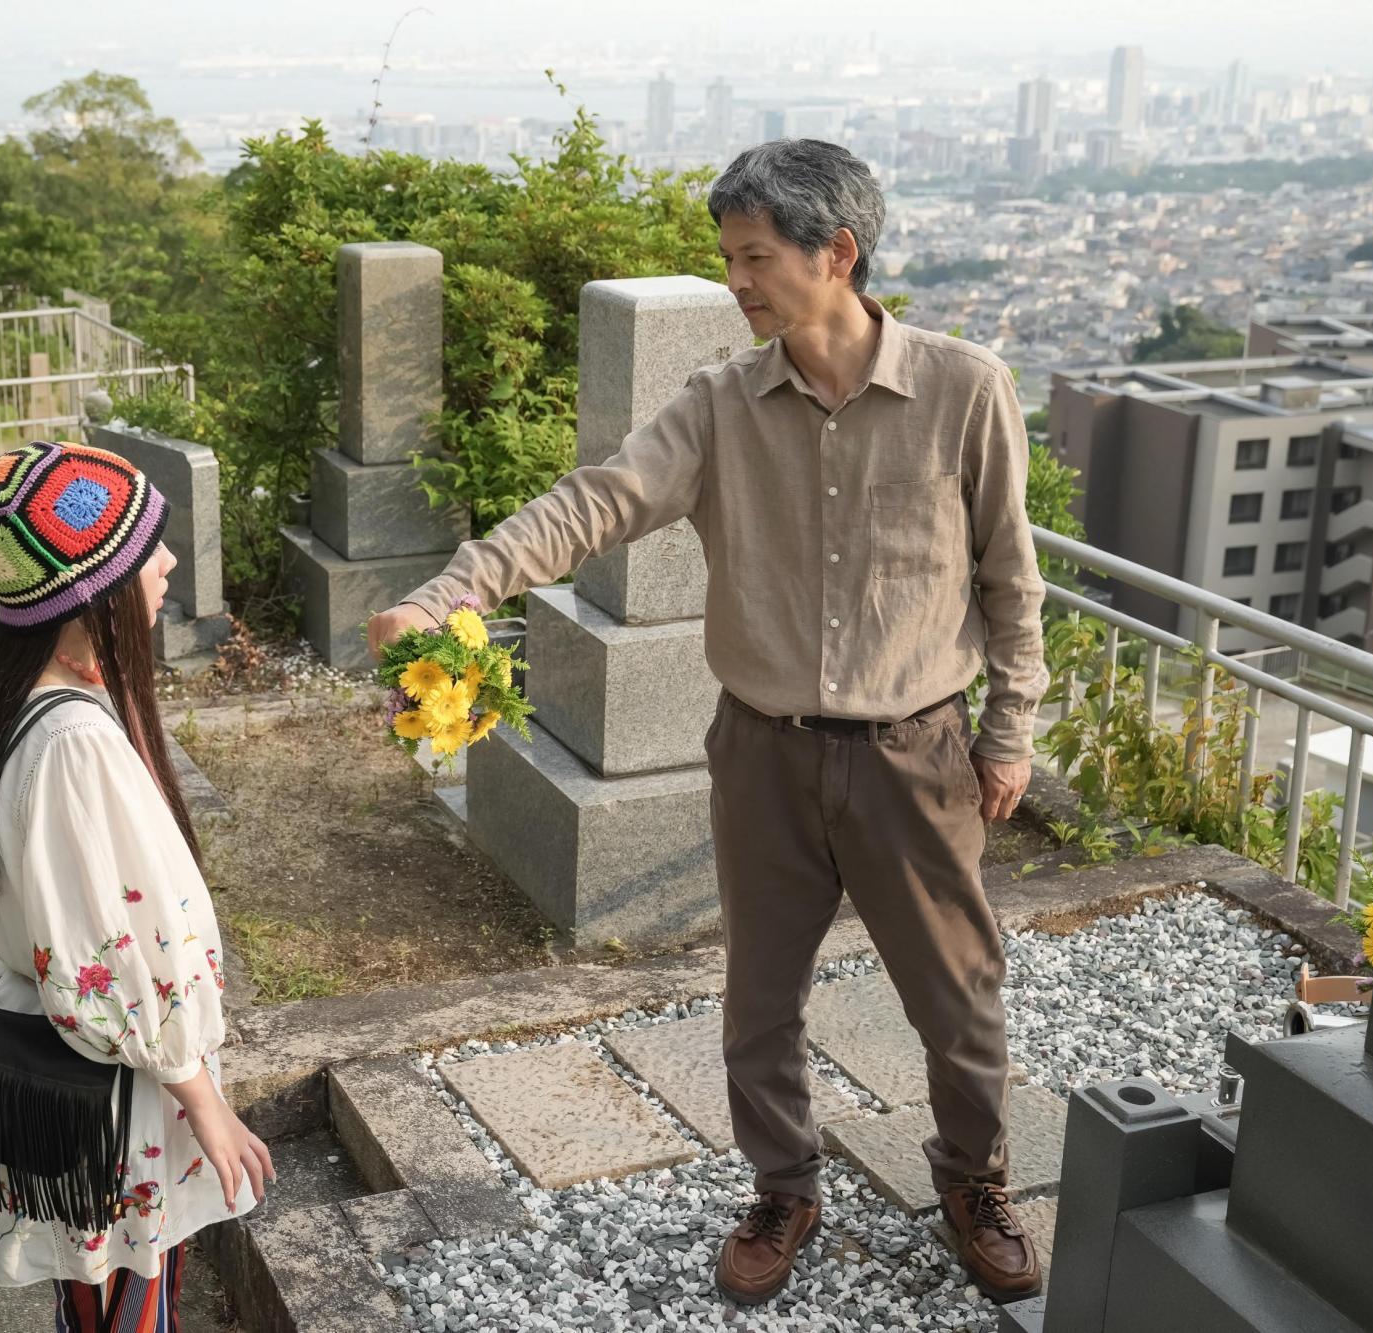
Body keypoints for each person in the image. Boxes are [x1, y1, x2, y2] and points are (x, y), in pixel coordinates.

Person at [366, 139, 1049, 1304]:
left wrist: (1008, 729)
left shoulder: (961, 387)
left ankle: (971, 1179)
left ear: (835, 253)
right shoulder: (717, 407)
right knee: (757, 1001)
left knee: (956, 998)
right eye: (727, 258)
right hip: (761, 752)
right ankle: (783, 1187)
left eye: (753, 257)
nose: (736, 281)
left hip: (913, 754)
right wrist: (452, 591)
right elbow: (597, 503)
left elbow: (1009, 578)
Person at [0, 440, 274, 1331]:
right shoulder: (74, 746)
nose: (168, 563)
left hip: (74, 1071)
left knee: (95, 1302)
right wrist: (200, 1095)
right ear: (91, 589)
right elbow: (111, 949)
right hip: (106, 1085)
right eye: (146, 552)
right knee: (120, 1307)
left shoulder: (24, 701)